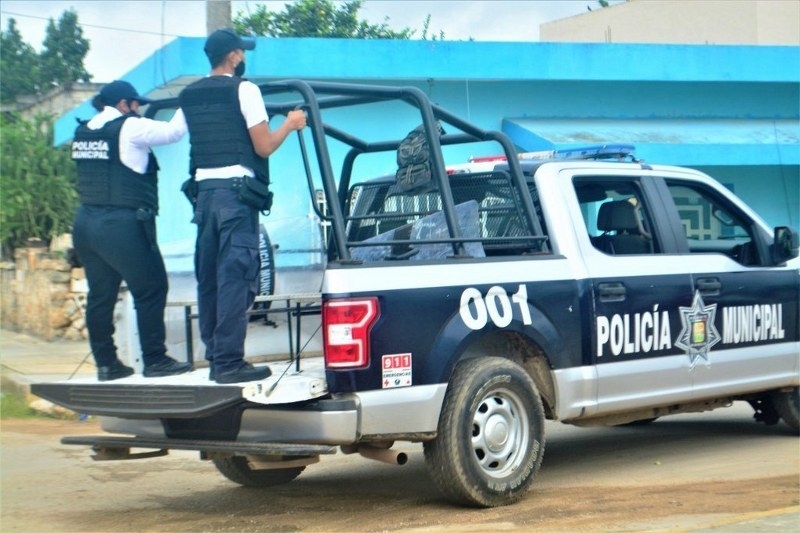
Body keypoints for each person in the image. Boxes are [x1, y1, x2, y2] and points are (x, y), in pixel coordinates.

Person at [178, 28, 306, 384]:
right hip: (235, 199)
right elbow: (263, 146)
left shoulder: (190, 94)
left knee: (210, 278)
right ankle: (229, 363)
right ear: (234, 56)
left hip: (204, 198)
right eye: (242, 53)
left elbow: (177, 133)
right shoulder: (244, 89)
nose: (244, 58)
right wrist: (290, 124)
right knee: (236, 277)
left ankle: (216, 355)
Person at [71, 80, 192, 381]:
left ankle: (106, 363)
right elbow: (174, 132)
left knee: (101, 294)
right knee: (151, 288)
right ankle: (155, 360)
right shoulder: (131, 127)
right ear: (124, 104)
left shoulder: (84, 130)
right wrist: (191, 99)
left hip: (85, 224)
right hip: (120, 225)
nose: (138, 110)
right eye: (136, 105)